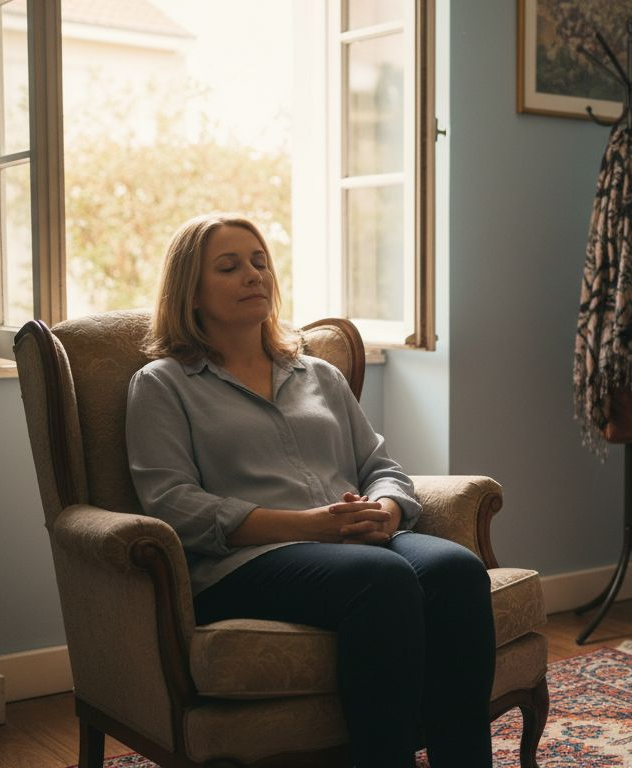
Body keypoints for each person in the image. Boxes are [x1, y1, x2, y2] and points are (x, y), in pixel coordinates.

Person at [125, 213, 495, 768]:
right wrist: (307, 525)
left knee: (457, 570)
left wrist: (388, 510)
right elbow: (173, 504)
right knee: (384, 580)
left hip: (353, 542)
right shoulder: (162, 384)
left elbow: (380, 464)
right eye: (229, 267)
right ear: (191, 293)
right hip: (246, 562)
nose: (253, 275)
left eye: (259, 262)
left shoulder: (318, 374)